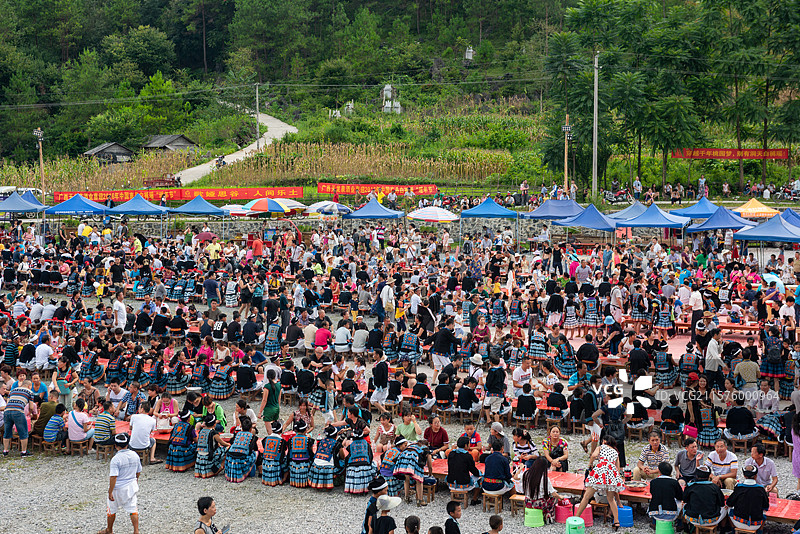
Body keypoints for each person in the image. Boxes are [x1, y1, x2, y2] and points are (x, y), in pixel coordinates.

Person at [573, 435, 625, 529]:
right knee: (611, 499)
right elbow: (617, 468)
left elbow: (593, 455)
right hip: (611, 473)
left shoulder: (601, 447)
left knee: (586, 496)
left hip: (600, 471)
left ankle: (576, 517)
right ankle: (616, 522)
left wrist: (590, 464)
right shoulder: (615, 452)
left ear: (604, 441)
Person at [99, 434, 142, 534]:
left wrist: (110, 492)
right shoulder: (135, 455)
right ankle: (136, 531)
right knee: (133, 508)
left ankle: (109, 530)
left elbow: (113, 477)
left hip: (118, 488)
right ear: (127, 444)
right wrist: (135, 480)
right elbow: (139, 471)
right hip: (131, 486)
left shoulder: (116, 459)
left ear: (116, 445)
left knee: (112, 509)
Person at [727, 464, 770, 531]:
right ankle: (760, 531)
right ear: (755, 476)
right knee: (764, 511)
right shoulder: (761, 489)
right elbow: (766, 506)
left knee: (728, 508)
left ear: (744, 476)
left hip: (739, 522)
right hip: (756, 524)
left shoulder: (739, 487)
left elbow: (729, 503)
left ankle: (733, 530)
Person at [521, 456, 564, 523]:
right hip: (539, 504)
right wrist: (560, 497)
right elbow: (553, 493)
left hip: (528, 502)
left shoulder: (526, 474)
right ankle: (548, 514)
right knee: (553, 498)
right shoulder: (544, 479)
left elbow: (516, 477)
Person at [446, 435, 483, 504]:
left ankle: (456, 496)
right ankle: (474, 499)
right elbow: (473, 470)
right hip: (463, 484)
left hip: (450, 483)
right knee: (479, 479)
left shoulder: (451, 453)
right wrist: (480, 473)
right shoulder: (467, 456)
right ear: (466, 445)